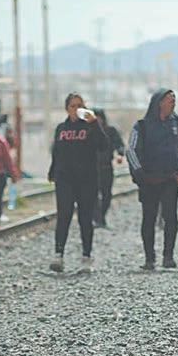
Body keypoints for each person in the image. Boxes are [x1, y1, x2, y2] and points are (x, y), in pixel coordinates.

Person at [126, 89, 178, 270]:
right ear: (159, 103)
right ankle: (149, 258)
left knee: (171, 218)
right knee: (149, 218)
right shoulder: (142, 126)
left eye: (174, 99)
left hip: (170, 179)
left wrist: (177, 164)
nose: (173, 102)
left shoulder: (177, 123)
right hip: (149, 181)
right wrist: (139, 172)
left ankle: (168, 257)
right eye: (169, 99)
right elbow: (131, 150)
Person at [47, 93, 108, 272]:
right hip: (65, 178)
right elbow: (57, 152)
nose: (76, 109)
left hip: (87, 179)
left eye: (80, 105)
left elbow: (104, 145)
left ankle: (86, 256)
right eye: (73, 106)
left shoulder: (90, 127)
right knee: (64, 214)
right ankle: (58, 255)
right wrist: (52, 171)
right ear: (67, 109)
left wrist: (94, 123)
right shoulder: (61, 128)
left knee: (85, 218)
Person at [92, 107, 125, 228]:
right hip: (91, 169)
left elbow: (119, 145)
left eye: (99, 118)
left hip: (106, 167)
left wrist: (120, 154)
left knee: (107, 195)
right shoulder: (88, 131)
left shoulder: (111, 131)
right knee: (92, 195)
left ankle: (101, 218)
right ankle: (97, 219)